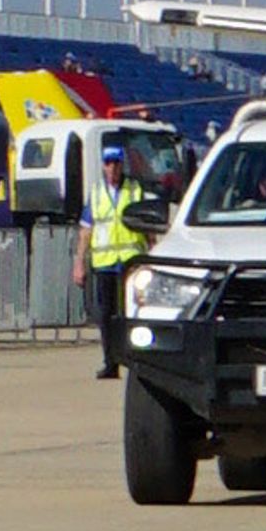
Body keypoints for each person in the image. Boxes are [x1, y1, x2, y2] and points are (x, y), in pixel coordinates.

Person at [87, 136, 160, 381]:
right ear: (103, 166)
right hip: (105, 264)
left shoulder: (135, 190)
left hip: (131, 262)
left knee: (131, 313)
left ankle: (135, 360)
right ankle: (110, 362)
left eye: (117, 163)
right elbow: (85, 230)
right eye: (109, 163)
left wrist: (152, 255)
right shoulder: (96, 194)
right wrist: (79, 262)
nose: (113, 168)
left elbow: (147, 225)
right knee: (106, 315)